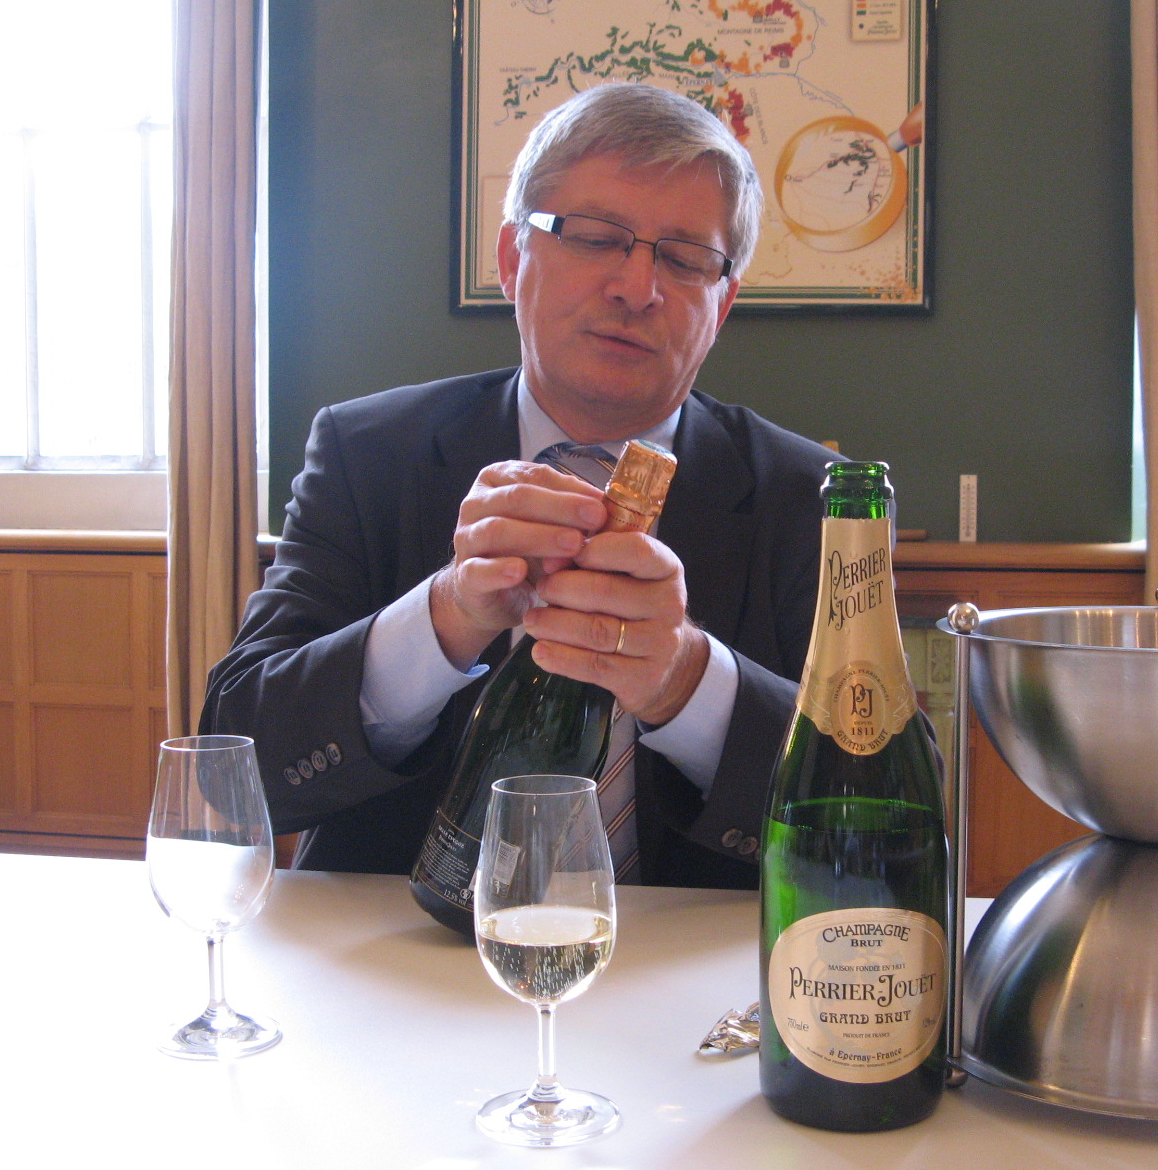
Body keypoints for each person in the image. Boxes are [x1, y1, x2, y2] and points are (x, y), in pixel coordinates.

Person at [202, 82, 836, 888]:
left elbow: (890, 794)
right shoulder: (369, 454)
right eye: (596, 238)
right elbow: (236, 765)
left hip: (700, 957)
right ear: (511, 259)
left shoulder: (811, 496)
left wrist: (684, 679)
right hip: (403, 946)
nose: (637, 288)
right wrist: (446, 618)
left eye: (684, 259)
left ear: (723, 304)